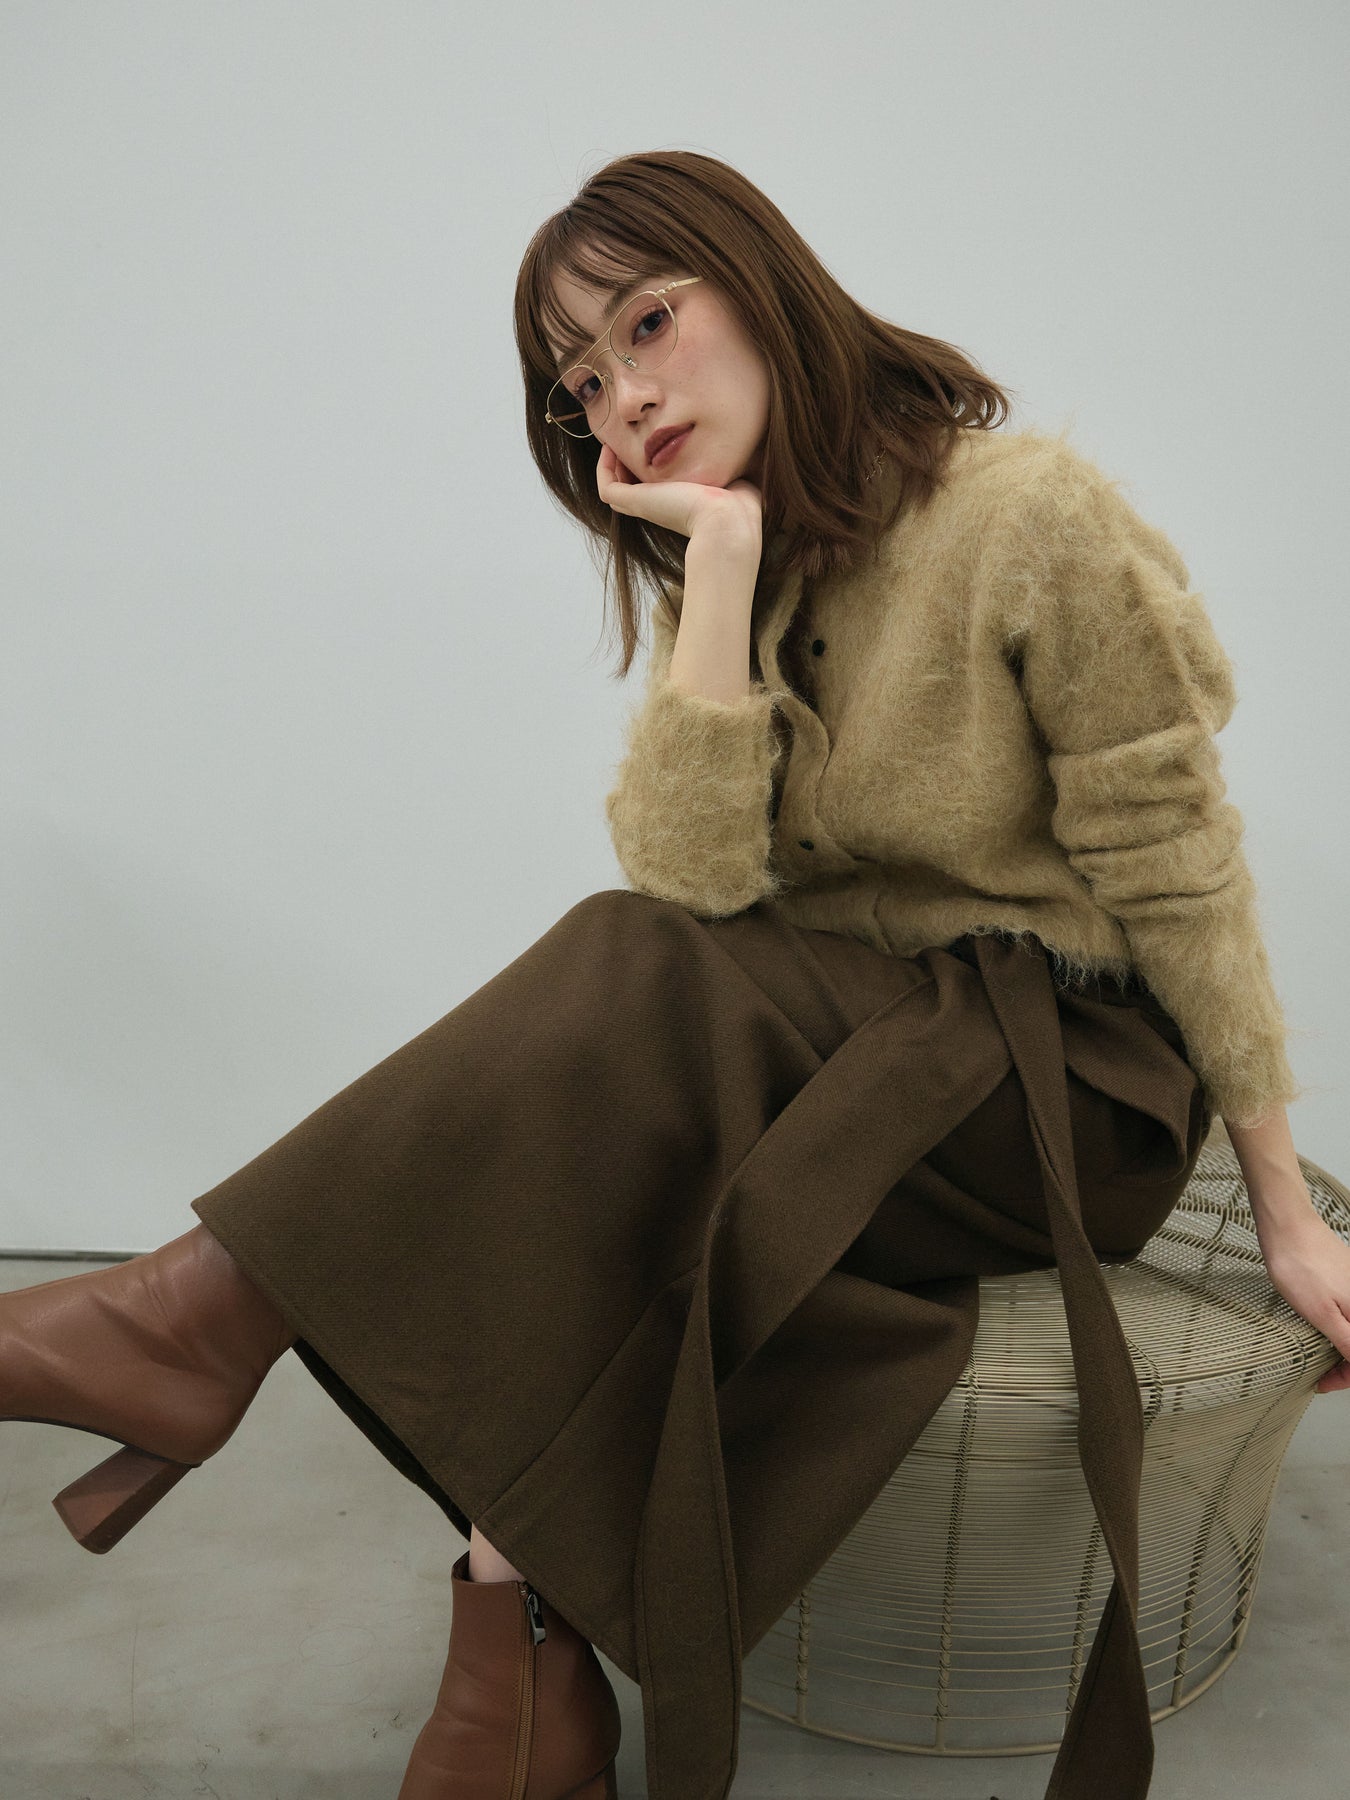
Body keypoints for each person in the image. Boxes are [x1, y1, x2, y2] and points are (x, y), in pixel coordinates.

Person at [3, 147, 1347, 1800]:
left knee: (624, 980)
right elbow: (701, 883)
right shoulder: (759, 563)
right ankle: (518, 1658)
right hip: (844, 1054)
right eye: (579, 384)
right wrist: (715, 574)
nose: (621, 401)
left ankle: (194, 1315)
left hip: (1060, 1093)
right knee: (614, 1139)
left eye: (645, 325)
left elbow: (1177, 863)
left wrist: (1280, 1205)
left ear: (761, 285)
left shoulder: (1030, 517)